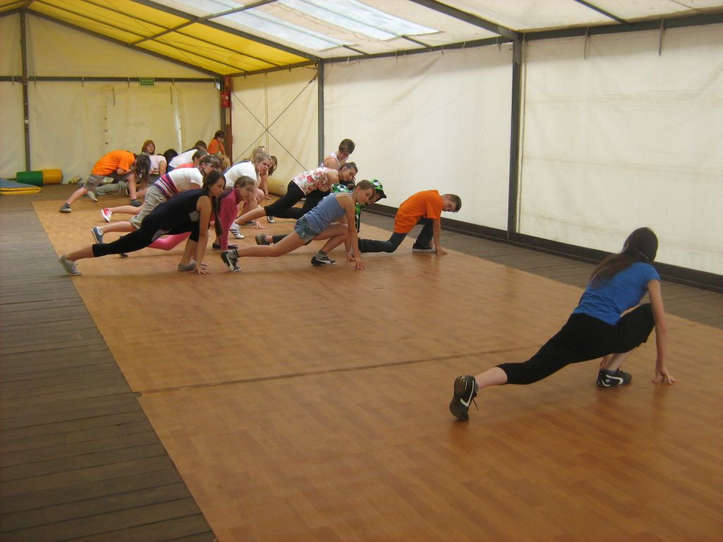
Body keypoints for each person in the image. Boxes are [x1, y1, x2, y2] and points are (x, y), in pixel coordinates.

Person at [449, 227, 675, 422]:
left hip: (575, 325)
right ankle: (609, 373)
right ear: (652, 253)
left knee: (530, 369)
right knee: (648, 312)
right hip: (601, 333)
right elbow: (661, 324)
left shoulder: (610, 265)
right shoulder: (649, 273)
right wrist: (660, 364)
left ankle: (473, 382)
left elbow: (597, 304)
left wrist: (608, 344)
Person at [59, 171, 225, 276]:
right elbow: (203, 235)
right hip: (154, 225)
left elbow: (200, 231)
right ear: (209, 185)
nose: (221, 190)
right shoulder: (204, 200)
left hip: (162, 223)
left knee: (196, 225)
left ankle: (184, 263)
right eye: (219, 186)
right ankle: (69, 258)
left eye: (223, 187)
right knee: (113, 247)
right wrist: (198, 264)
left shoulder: (202, 196)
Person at [220, 180, 375, 272]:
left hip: (313, 226)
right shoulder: (348, 202)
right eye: (367, 194)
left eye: (370, 197)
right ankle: (232, 254)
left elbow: (346, 229)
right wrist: (357, 256)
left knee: (343, 230)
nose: (367, 199)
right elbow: (353, 231)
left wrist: (349, 252)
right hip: (309, 227)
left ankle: (321, 255)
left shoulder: (345, 197)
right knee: (275, 251)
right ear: (358, 189)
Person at [91, 154, 222, 243]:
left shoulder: (196, 174)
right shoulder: (197, 176)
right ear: (203, 165)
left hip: (161, 193)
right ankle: (101, 230)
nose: (214, 170)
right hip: (159, 193)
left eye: (216, 168)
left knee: (145, 220)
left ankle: (123, 239)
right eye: (212, 167)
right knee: (138, 224)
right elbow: (193, 198)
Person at [255, 178, 386, 246]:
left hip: (319, 216)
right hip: (317, 212)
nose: (375, 199)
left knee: (304, 233)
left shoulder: (357, 200)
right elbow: (351, 229)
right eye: (375, 195)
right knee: (300, 235)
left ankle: (268, 236)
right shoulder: (352, 199)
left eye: (377, 198)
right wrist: (353, 251)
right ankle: (268, 232)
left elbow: (350, 228)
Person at [232, 163, 358, 227]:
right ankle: (238, 221)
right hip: (298, 187)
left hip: (308, 191)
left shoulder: (336, 176)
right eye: (350, 173)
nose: (350, 177)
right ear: (344, 168)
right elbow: (336, 196)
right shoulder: (334, 175)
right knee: (271, 209)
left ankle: (273, 212)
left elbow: (323, 191)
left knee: (304, 214)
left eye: (352, 176)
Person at [357, 190, 461, 255]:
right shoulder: (436, 200)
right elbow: (436, 226)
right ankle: (360, 244)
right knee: (391, 246)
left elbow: (434, 222)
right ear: (447, 196)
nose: (446, 209)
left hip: (408, 214)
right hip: (406, 218)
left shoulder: (434, 195)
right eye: (449, 206)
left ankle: (421, 245)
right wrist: (438, 247)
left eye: (449, 210)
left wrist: (429, 241)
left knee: (432, 220)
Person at [59, 151, 150, 212]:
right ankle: (66, 205)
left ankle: (133, 200)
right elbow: (120, 172)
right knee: (86, 188)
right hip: (101, 170)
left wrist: (132, 171)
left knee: (131, 176)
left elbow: (120, 170)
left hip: (110, 170)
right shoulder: (129, 158)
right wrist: (133, 169)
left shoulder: (130, 157)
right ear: (138, 161)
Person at [223, 151, 271, 238]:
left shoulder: (255, 172)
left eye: (268, 166)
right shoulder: (250, 172)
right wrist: (256, 219)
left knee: (260, 193)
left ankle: (241, 219)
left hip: (233, 188)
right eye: (264, 164)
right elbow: (252, 198)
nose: (266, 167)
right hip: (226, 189)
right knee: (255, 195)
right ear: (257, 162)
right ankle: (237, 221)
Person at [213, 176, 257, 250]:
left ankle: (218, 243)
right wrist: (225, 249)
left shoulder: (233, 194)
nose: (249, 193)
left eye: (252, 191)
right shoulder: (230, 200)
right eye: (247, 189)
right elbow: (224, 227)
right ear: (238, 187)